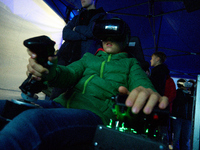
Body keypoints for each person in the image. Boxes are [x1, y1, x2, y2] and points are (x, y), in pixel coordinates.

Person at [0, 18, 168, 149]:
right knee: (4, 107)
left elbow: (142, 84)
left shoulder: (131, 64)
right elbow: (69, 73)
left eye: (114, 36)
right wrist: (50, 71)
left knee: (32, 122)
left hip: (94, 114)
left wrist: (146, 92)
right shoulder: (88, 58)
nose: (108, 39)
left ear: (125, 40)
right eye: (105, 36)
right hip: (58, 105)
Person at [50, 0, 107, 99]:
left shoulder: (101, 16)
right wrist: (84, 36)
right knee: (56, 93)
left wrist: (76, 29)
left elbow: (92, 32)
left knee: (75, 95)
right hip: (65, 57)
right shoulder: (77, 17)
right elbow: (65, 33)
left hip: (82, 59)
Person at [172, 79, 195, 150]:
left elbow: (192, 103)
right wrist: (187, 96)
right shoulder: (177, 92)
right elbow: (179, 102)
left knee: (185, 138)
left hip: (187, 118)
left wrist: (191, 92)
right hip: (178, 118)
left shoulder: (190, 93)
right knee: (177, 137)